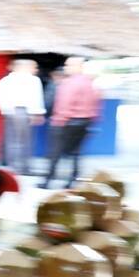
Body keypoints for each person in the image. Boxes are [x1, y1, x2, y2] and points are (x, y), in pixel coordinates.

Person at [40, 57, 101, 189]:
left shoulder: (68, 83)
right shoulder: (90, 82)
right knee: (76, 153)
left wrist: (58, 120)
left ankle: (47, 181)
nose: (66, 68)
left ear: (77, 67)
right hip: (85, 122)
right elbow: (97, 102)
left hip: (66, 122)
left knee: (55, 152)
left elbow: (64, 103)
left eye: (68, 65)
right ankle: (73, 181)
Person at [0, 59, 45, 174]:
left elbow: (0, 98)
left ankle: (12, 166)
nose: (35, 70)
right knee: (26, 142)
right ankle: (25, 167)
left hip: (9, 112)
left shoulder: (5, 80)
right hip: (25, 112)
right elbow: (36, 98)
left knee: (11, 141)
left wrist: (5, 111)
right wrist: (37, 113)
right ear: (24, 67)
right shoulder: (33, 80)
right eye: (33, 67)